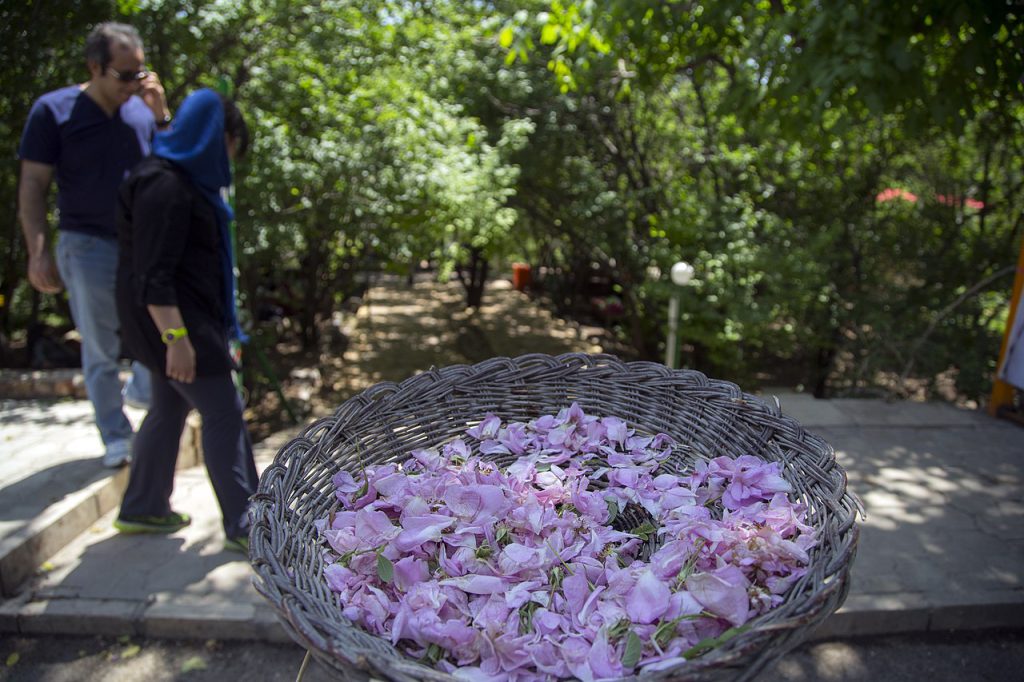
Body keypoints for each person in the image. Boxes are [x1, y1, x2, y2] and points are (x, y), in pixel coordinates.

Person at [18, 22, 171, 467]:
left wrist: (161, 112)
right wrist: (38, 250)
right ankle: (115, 436)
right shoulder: (53, 110)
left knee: (158, 333)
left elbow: (172, 166)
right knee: (101, 347)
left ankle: (141, 398)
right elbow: (32, 184)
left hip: (142, 245)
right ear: (94, 67)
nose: (135, 84)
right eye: (125, 75)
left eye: (141, 73)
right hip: (85, 243)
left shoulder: (142, 111)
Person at [112, 89, 257, 553]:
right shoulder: (165, 185)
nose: (230, 160)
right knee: (223, 409)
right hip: (173, 323)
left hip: (169, 322)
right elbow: (154, 275)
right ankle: (248, 521)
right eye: (231, 147)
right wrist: (176, 339)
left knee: (169, 407)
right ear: (219, 138)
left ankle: (143, 506)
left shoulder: (179, 181)